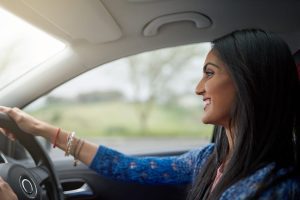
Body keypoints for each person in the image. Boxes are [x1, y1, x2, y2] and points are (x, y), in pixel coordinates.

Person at [0, 29, 299, 199]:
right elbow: (129, 167)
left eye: (209, 73)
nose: (198, 88)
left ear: (249, 80)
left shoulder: (276, 188)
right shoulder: (209, 159)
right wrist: (41, 128)